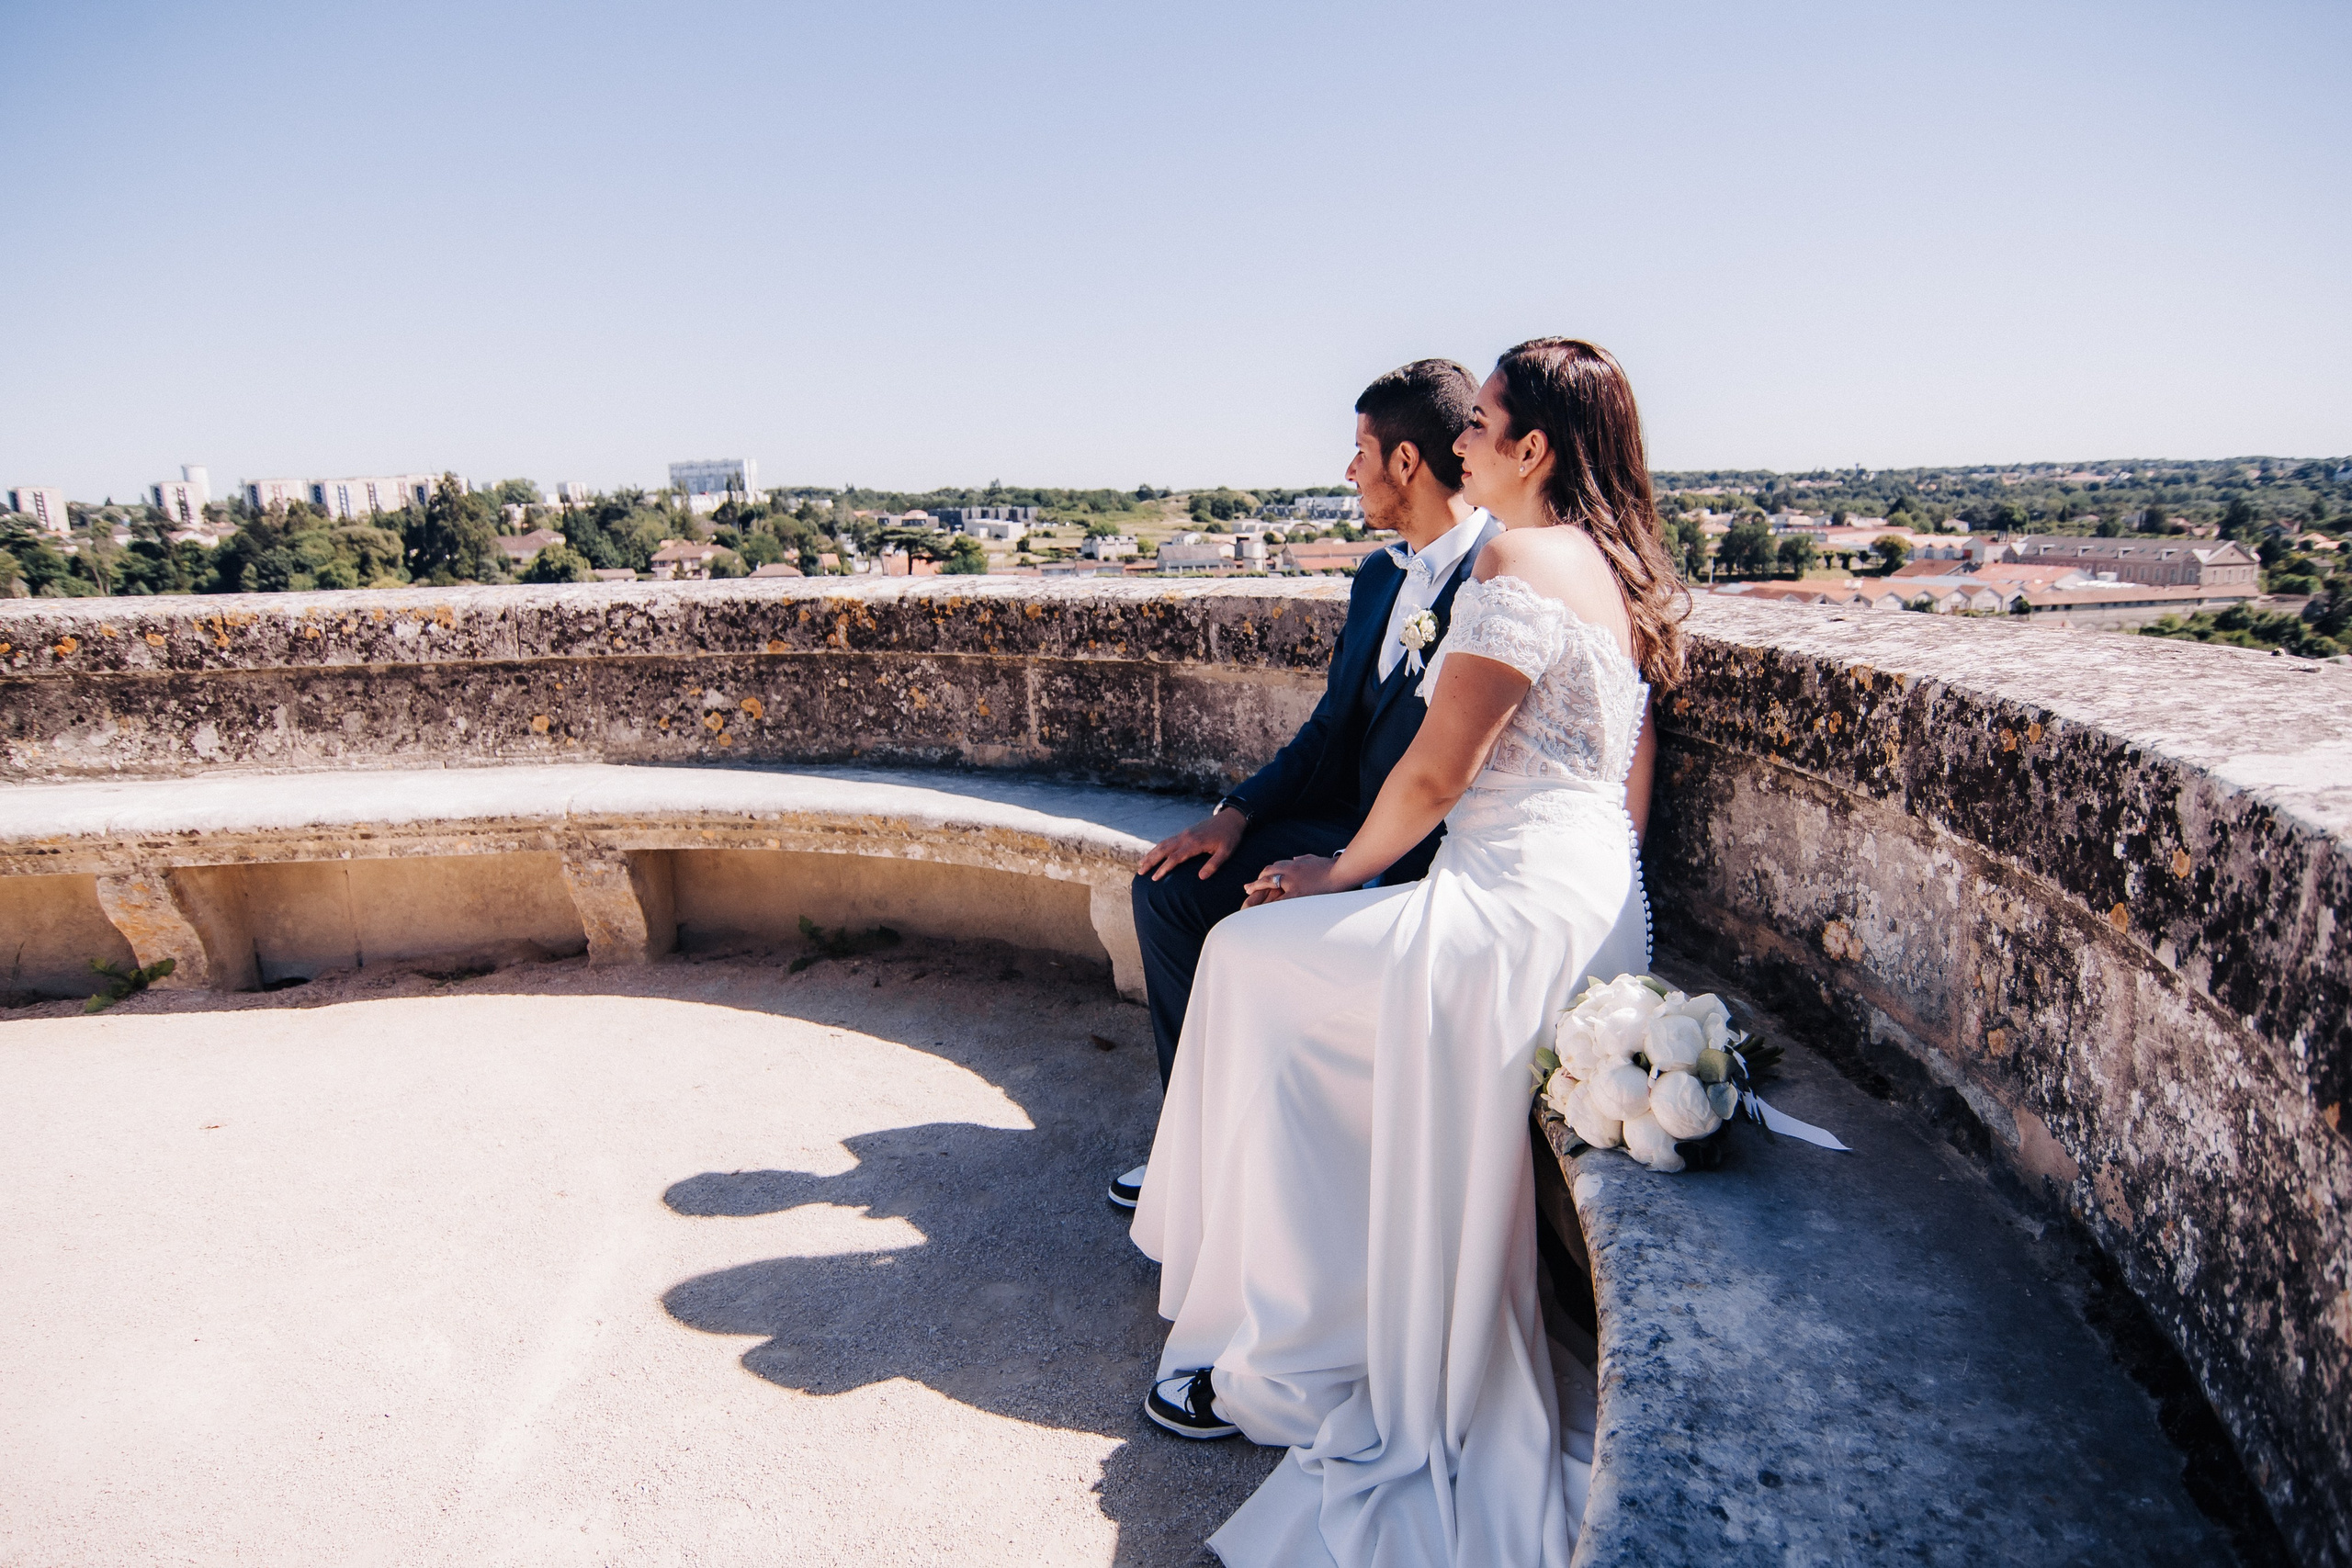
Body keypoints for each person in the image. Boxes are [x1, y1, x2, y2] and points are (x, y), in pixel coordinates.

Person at [1128, 338, 1679, 1567]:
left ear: (1532, 448)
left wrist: (1339, 870)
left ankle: (1288, 1331)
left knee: (1252, 964)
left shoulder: (1517, 554)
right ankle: (1258, 1263)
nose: (1466, 441)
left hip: (1502, 904)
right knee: (1261, 971)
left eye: (1481, 423)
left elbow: (1440, 767)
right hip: (1590, 894)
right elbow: (1623, 780)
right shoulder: (1614, 568)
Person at [1109, 359, 1500, 1208]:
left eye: (1361, 449)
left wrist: (1343, 863)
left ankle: (1278, 1166)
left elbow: (1451, 776)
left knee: (1258, 928)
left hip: (1433, 861)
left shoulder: (1500, 577)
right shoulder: (1379, 577)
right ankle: (1193, 1148)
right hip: (1344, 827)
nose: (1349, 469)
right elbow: (1330, 731)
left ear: (1405, 462)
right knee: (1174, 890)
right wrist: (1237, 814)